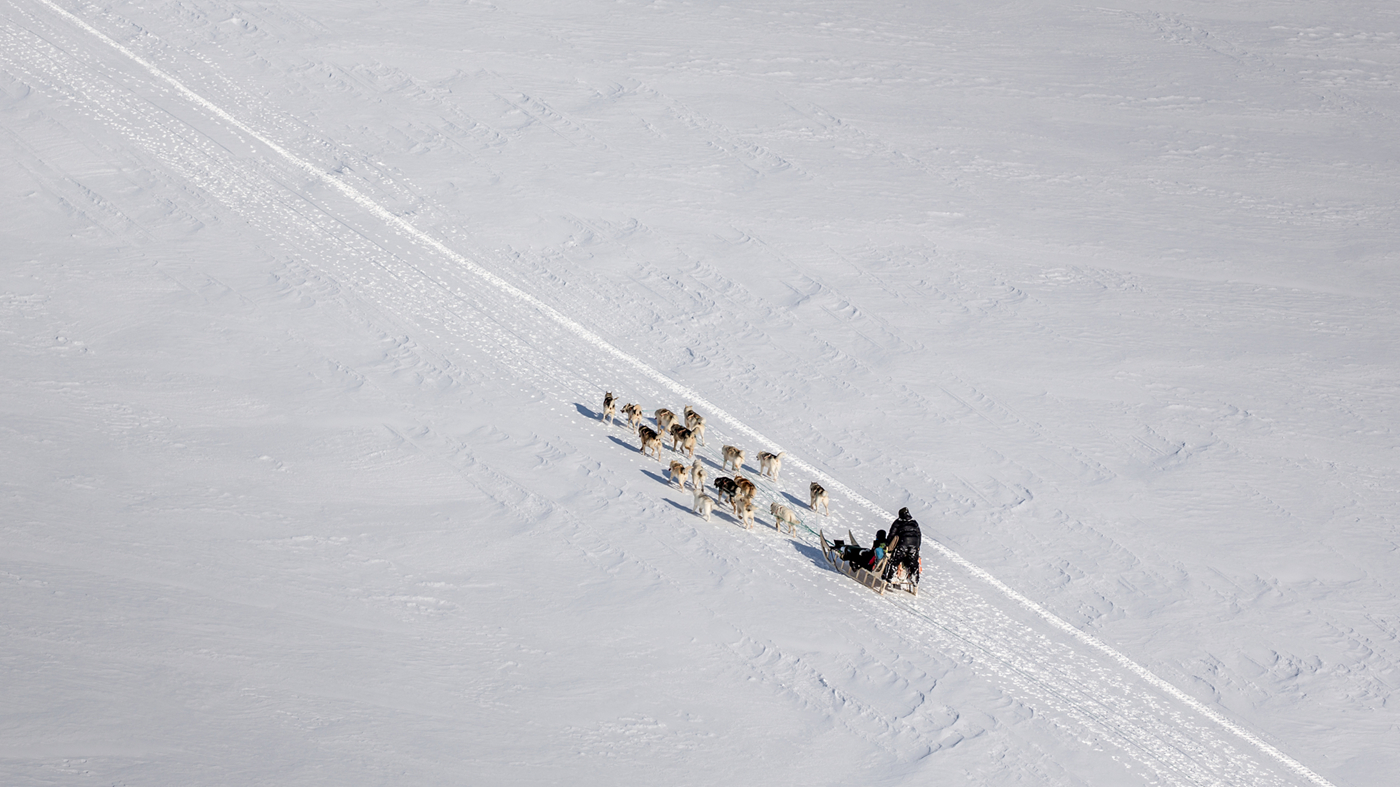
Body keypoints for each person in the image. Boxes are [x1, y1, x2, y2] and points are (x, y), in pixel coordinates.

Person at [882, 508, 921, 587]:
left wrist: (887, 544)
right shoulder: (914, 522)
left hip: (903, 543)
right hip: (914, 543)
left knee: (896, 560)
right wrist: (917, 546)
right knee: (913, 562)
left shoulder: (898, 522)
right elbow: (919, 535)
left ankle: (891, 577)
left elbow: (892, 534)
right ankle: (915, 578)